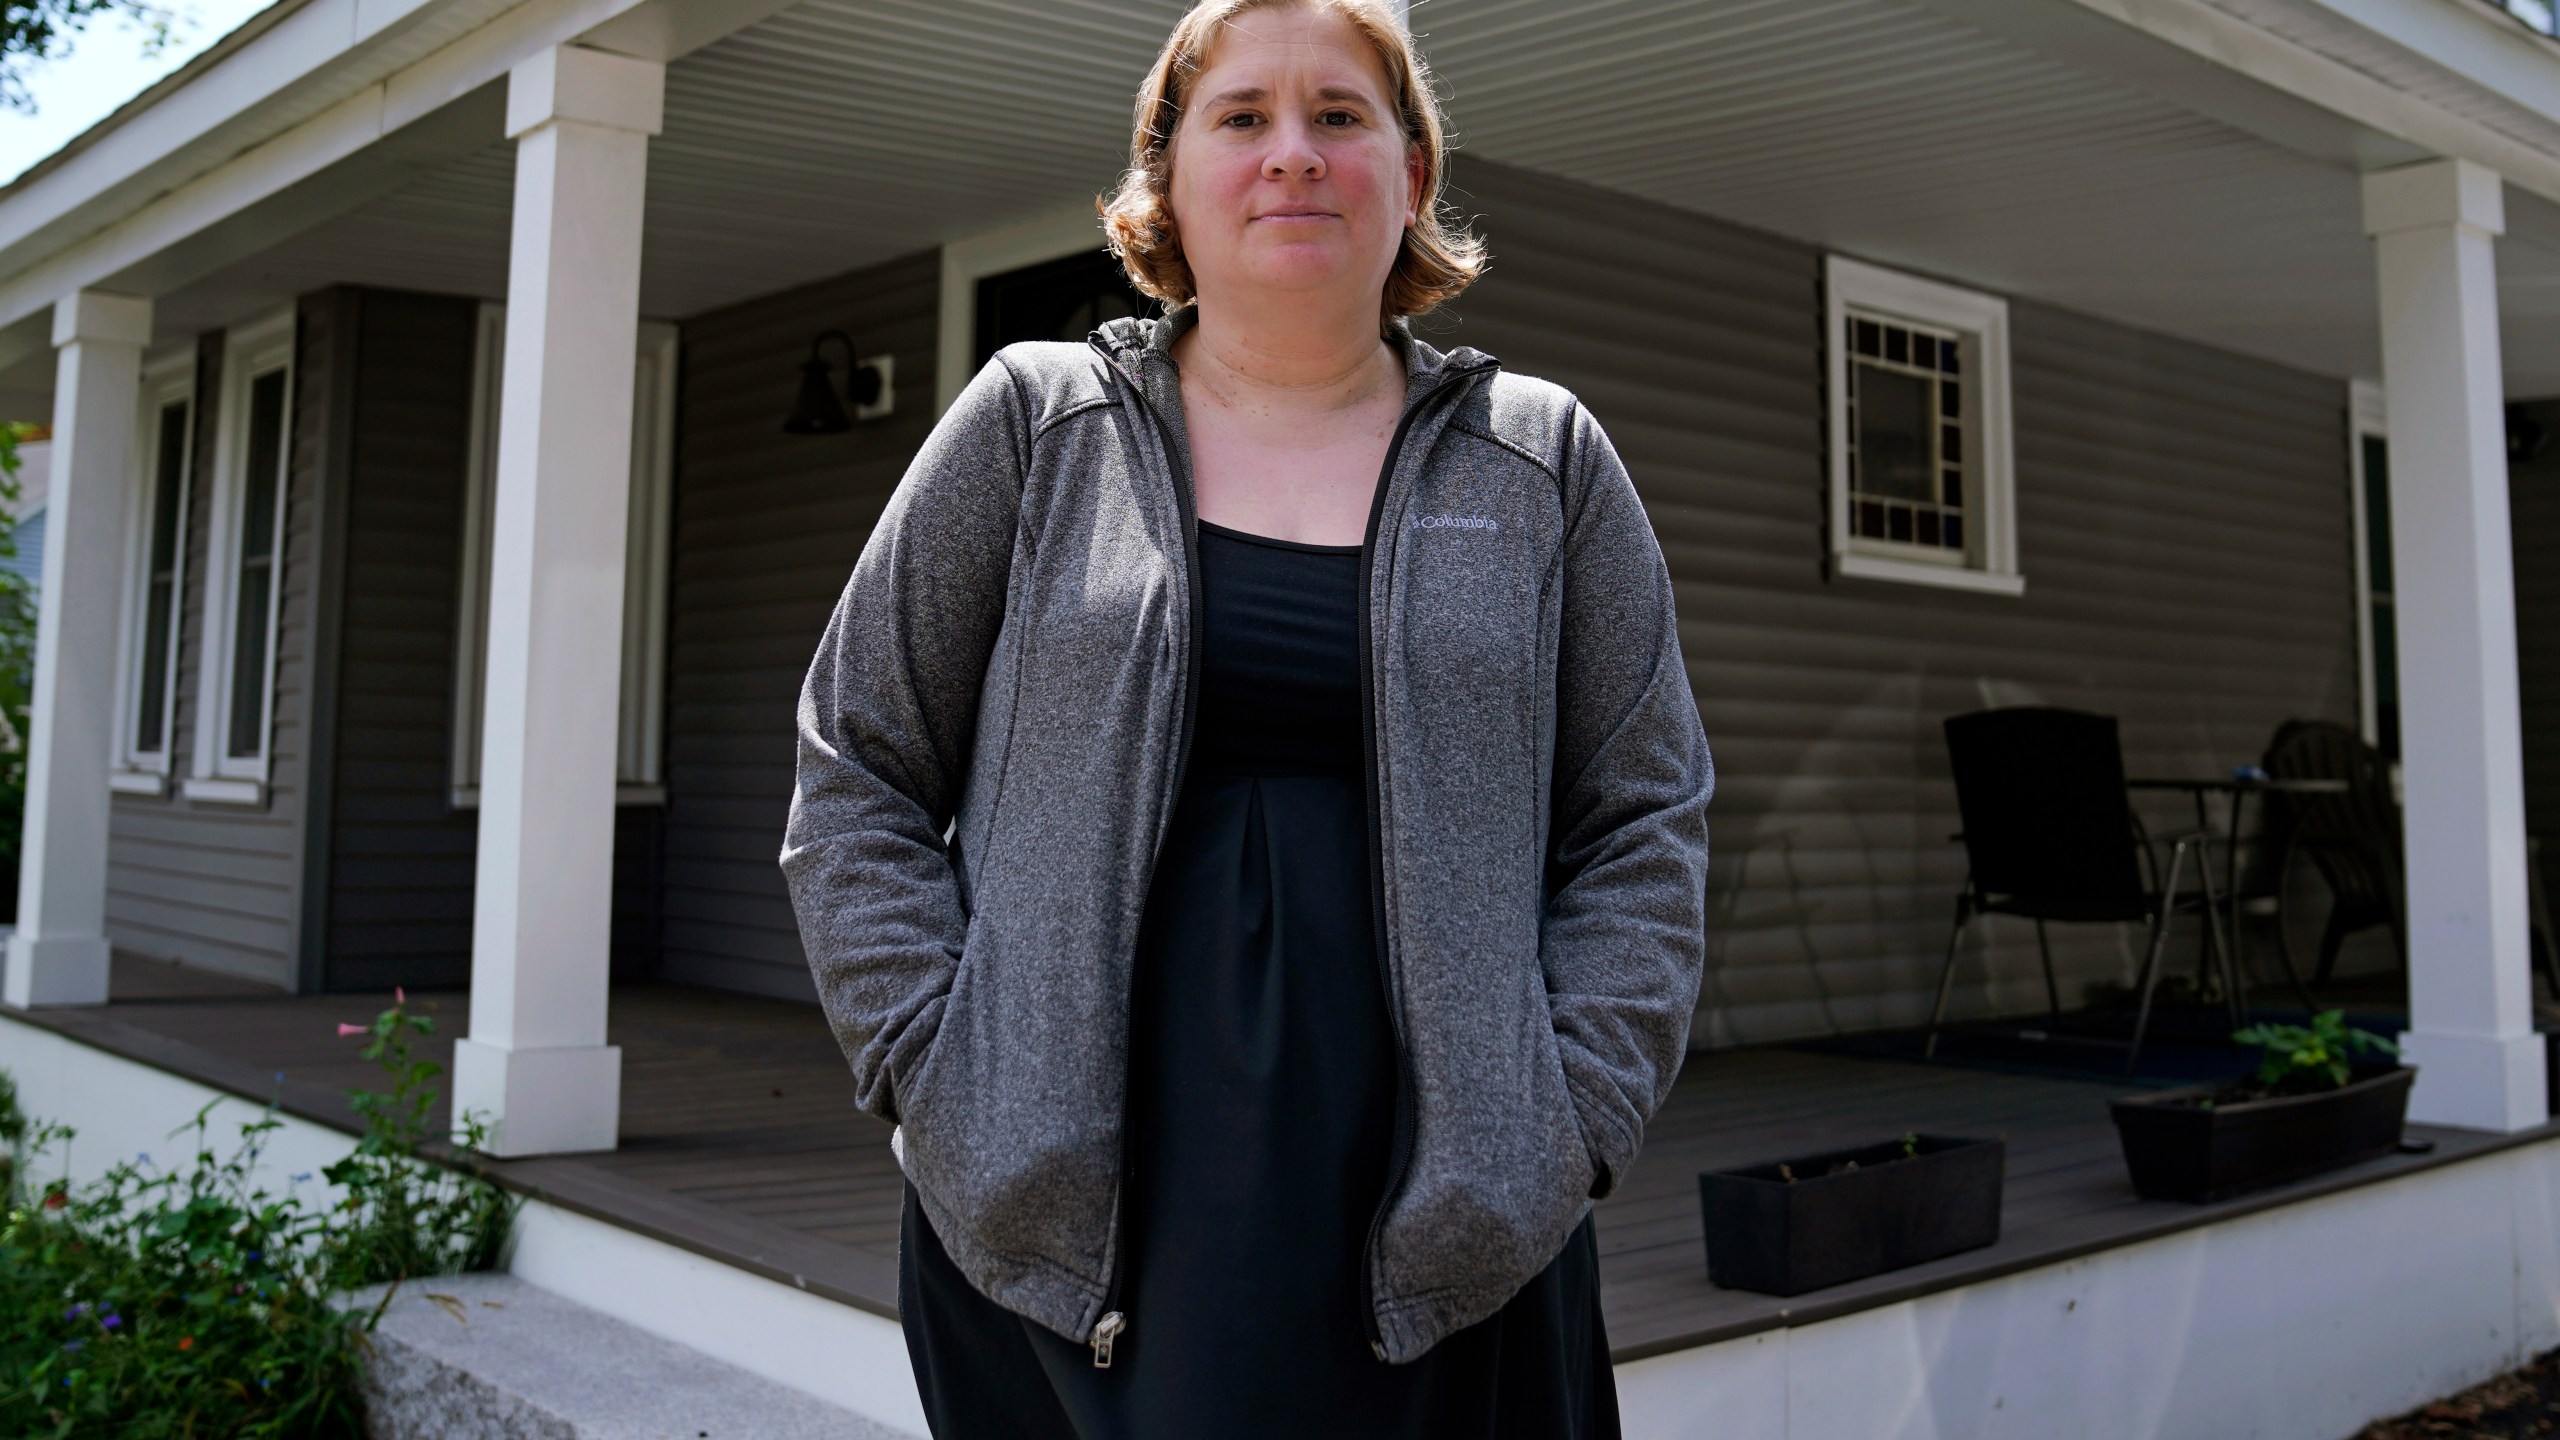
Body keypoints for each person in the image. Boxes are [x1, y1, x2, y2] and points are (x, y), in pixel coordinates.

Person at [779, 0, 1714, 1434]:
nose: (1295, 154)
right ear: (1166, 179)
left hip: (1460, 1232)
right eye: (1243, 117)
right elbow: (859, 767)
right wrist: (935, 1074)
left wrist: (1566, 1127)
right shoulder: (1037, 427)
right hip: (1073, 1242)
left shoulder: (1542, 461)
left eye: (1341, 115)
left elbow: (1643, 818)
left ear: (1411, 176)